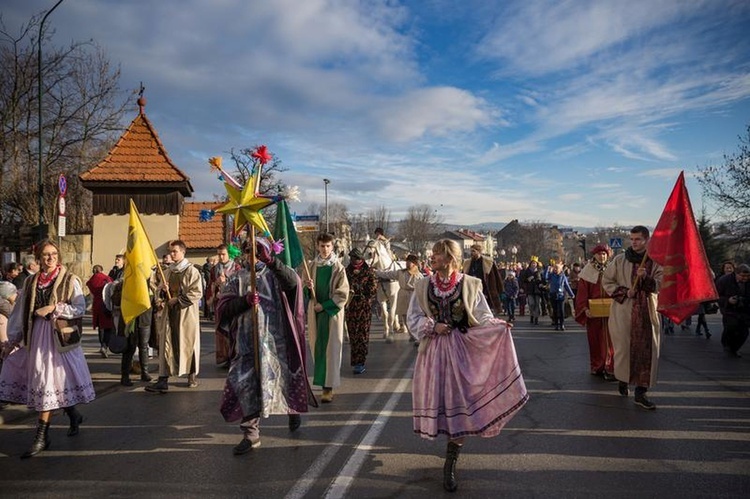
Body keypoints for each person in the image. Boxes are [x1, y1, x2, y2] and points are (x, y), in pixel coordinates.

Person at [407, 239, 528, 492]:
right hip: (433, 354)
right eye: (433, 254)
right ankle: (448, 454)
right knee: (440, 403)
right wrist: (432, 326)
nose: (432, 257)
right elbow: (414, 318)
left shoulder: (470, 285)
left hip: (462, 352)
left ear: (450, 258)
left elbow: (482, 314)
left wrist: (497, 326)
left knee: (459, 406)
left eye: (437, 254)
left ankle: (450, 463)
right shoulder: (423, 285)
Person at [216, 237, 313, 454]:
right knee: (245, 384)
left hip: (276, 342)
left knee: (281, 379)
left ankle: (292, 408)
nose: (252, 254)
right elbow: (223, 310)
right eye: (249, 250)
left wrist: (271, 262)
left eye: (257, 250)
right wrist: (243, 301)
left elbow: (294, 284)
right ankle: (251, 435)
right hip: (245, 345)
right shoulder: (236, 279)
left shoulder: (276, 274)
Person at [0, 239, 95, 458]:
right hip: (36, 338)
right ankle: (73, 415)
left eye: (53, 254)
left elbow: (80, 308)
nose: (50, 258)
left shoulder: (70, 280)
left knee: (49, 384)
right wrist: (12, 341)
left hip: (60, 340)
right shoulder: (32, 282)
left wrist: (54, 307)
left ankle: (42, 437)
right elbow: (19, 314)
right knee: (48, 384)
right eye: (45, 254)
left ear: (58, 257)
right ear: (38, 258)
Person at [602, 226, 663, 410]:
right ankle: (623, 379)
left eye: (638, 239)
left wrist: (647, 280)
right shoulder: (620, 260)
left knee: (647, 352)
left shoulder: (654, 262)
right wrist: (623, 291)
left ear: (647, 240)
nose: (634, 242)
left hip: (647, 313)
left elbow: (662, 284)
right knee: (624, 350)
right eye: (632, 239)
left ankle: (641, 392)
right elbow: (607, 281)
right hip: (624, 311)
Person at [145, 240, 203, 393]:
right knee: (166, 344)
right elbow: (158, 291)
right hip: (169, 314)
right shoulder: (167, 272)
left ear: (183, 252)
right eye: (170, 251)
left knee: (188, 343)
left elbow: (197, 292)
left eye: (174, 251)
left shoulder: (191, 271)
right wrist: (163, 291)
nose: (171, 254)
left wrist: (177, 300)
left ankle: (191, 376)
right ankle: (163, 380)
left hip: (185, 314)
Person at [303, 233, 349, 403]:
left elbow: (343, 293)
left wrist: (325, 305)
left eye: (328, 246)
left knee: (332, 349)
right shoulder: (311, 266)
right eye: (322, 246)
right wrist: (308, 287)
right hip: (315, 313)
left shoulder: (338, 268)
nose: (325, 249)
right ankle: (322, 382)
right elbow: (304, 290)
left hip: (331, 313)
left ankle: (328, 387)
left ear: (332, 247)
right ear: (317, 246)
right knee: (318, 348)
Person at [575, 244, 615, 380]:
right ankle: (598, 366)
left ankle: (611, 367)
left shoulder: (612, 268)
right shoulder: (587, 271)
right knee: (596, 341)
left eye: (604, 254)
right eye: (599, 254)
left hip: (611, 313)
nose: (602, 256)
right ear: (595, 255)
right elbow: (582, 293)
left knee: (612, 341)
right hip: (594, 313)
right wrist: (584, 309)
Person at [374, 254, 424, 343]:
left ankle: (417, 336)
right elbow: (387, 274)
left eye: (410, 262)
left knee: (415, 316)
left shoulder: (419, 275)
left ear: (415, 264)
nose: (408, 264)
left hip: (414, 296)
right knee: (404, 316)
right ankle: (411, 334)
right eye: (407, 262)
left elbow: (423, 287)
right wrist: (376, 272)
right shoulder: (400, 272)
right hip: (403, 295)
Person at [344, 248, 378, 374]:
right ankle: (355, 361)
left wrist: (361, 291)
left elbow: (373, 288)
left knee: (362, 334)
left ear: (361, 259)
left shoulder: (368, 271)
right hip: (351, 306)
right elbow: (342, 285)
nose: (354, 261)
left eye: (356, 258)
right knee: (353, 335)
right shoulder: (347, 271)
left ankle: (361, 361)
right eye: (352, 258)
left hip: (364, 306)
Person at [208, 244, 242, 367]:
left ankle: (235, 356)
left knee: (233, 329)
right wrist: (214, 288)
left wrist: (226, 280)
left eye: (223, 254)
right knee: (222, 330)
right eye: (219, 254)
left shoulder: (237, 267)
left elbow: (240, 284)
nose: (221, 257)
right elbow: (210, 285)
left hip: (232, 302)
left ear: (229, 254)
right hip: (219, 302)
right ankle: (225, 357)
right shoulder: (214, 269)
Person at [715, 263, 750, 358]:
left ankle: (734, 349)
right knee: (731, 326)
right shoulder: (724, 280)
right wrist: (728, 300)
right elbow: (716, 296)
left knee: (744, 332)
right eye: (743, 276)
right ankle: (727, 344)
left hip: (745, 310)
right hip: (729, 310)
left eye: (747, 276)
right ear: (736, 274)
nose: (745, 278)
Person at [462, 243, 504, 315]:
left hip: (485, 289)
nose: (471, 253)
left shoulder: (488, 262)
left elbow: (497, 276)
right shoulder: (467, 263)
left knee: (486, 310)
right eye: (471, 251)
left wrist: (500, 289)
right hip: (472, 289)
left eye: (473, 251)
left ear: (479, 251)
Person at [86, 265, 115, 358]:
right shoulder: (106, 278)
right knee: (108, 326)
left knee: (101, 327)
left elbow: (91, 294)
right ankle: (105, 345)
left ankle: (102, 345)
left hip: (96, 304)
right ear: (101, 270)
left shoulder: (91, 281)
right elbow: (111, 290)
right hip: (106, 303)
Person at [545, 262, 574, 331]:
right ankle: (556, 324)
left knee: (561, 310)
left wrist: (571, 294)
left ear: (560, 269)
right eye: (555, 268)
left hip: (561, 295)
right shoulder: (551, 275)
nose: (556, 269)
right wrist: (547, 269)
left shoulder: (563, 276)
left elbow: (566, 286)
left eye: (557, 268)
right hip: (553, 294)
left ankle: (562, 324)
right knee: (554, 310)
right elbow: (545, 277)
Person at [519, 257, 544, 325]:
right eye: (533, 263)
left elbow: (543, 279)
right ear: (530, 264)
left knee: (537, 304)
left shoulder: (540, 271)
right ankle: (532, 315)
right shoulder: (527, 271)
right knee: (531, 304)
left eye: (535, 263)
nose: (534, 265)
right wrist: (527, 280)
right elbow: (522, 280)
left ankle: (536, 318)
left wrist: (541, 283)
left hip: (538, 290)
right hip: (530, 290)